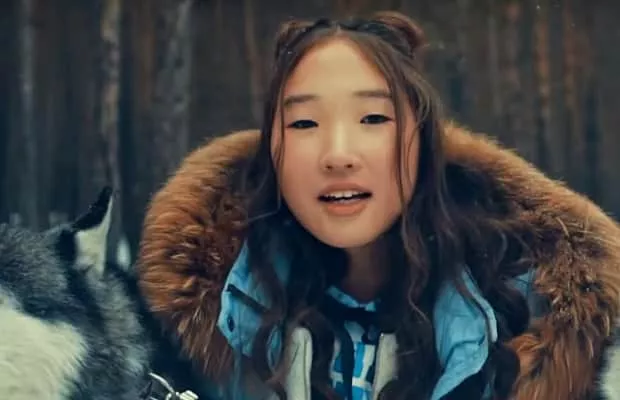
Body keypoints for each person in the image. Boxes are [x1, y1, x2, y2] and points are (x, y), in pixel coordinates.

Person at [136, 10, 620, 400]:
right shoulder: (202, 329)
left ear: (423, 142)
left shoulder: (537, 320)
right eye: (304, 124)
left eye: (372, 118)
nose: (338, 154)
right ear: (273, 156)